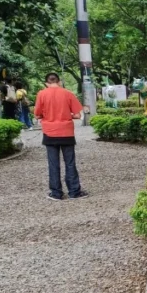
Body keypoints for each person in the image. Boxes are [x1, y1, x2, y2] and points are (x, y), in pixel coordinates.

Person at [34, 73, 87, 201]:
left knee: (53, 164)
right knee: (70, 163)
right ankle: (74, 192)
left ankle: (56, 193)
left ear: (46, 83)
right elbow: (78, 115)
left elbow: (37, 114)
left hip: (50, 133)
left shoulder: (41, 94)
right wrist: (68, 115)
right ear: (59, 81)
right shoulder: (68, 93)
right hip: (66, 132)